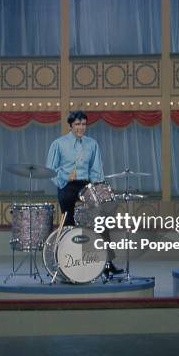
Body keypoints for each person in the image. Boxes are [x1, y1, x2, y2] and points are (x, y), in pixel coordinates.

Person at [46, 110, 123, 276]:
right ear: (70, 125)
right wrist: (66, 176)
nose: (81, 127)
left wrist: (99, 188)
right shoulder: (58, 144)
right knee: (68, 221)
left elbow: (97, 171)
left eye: (83, 124)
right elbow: (50, 169)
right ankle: (69, 261)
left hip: (85, 184)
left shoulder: (92, 144)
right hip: (66, 184)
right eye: (77, 124)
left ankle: (107, 263)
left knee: (101, 219)